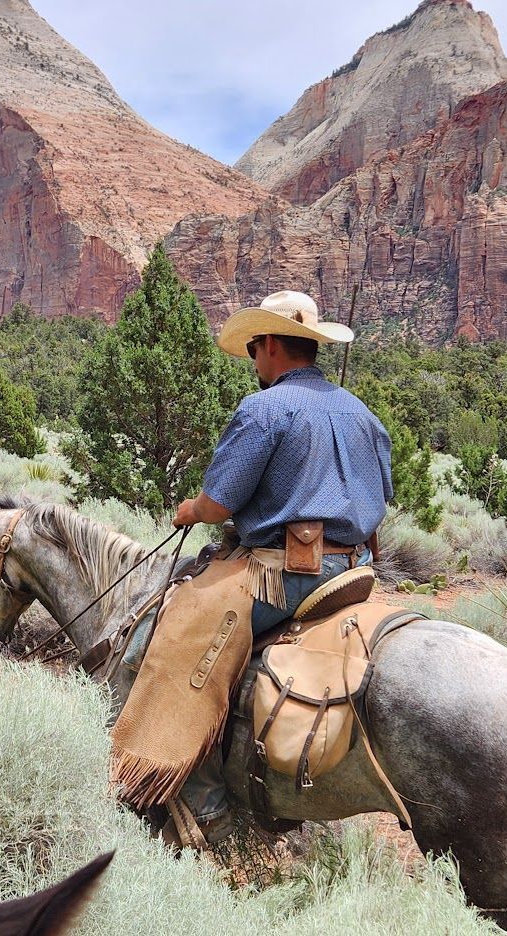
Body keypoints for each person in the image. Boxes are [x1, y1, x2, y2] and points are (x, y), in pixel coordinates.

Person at [168, 289, 393, 845]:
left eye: (253, 348)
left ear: (270, 345)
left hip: (287, 578)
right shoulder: (361, 412)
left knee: (176, 647)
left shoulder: (266, 409)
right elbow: (383, 493)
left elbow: (219, 504)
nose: (252, 359)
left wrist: (189, 511)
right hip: (354, 572)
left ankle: (209, 808)